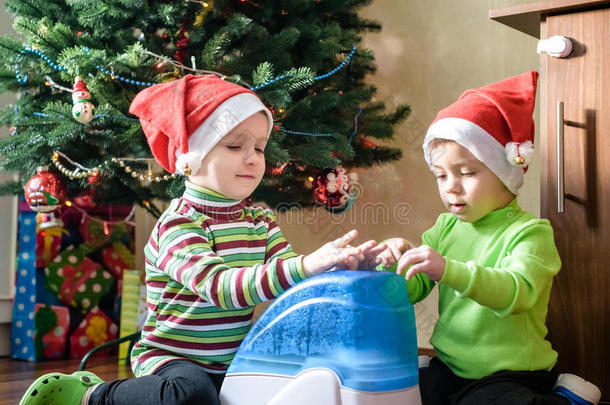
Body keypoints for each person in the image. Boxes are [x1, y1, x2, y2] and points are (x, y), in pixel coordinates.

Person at [19, 74, 384, 405]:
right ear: (189, 160)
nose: (252, 158)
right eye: (234, 146)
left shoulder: (260, 220)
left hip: (238, 355)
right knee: (190, 393)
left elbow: (287, 281)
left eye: (258, 148)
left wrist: (341, 265)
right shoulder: (178, 225)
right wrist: (306, 264)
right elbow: (220, 287)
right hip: (173, 358)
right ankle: (91, 396)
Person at [378, 71, 602, 405]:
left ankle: (565, 399)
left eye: (467, 173)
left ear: (505, 174)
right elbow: (412, 290)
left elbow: (517, 293)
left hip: (510, 372)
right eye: (441, 175)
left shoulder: (529, 232)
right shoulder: (444, 228)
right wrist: (393, 266)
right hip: (451, 365)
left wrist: (447, 269)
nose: (451, 185)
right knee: (395, 393)